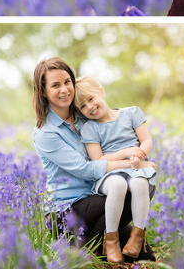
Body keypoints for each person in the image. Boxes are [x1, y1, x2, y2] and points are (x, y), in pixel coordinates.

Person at [32, 57, 156, 262]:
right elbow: (85, 169)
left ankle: (98, 242)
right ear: (43, 91)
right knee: (124, 189)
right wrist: (135, 163)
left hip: (97, 197)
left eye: (67, 82)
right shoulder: (46, 132)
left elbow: (112, 130)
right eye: (55, 85)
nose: (64, 89)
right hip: (68, 210)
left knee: (145, 256)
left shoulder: (83, 114)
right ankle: (83, 246)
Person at [74, 76, 156, 264]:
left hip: (135, 167)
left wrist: (140, 154)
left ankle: (137, 236)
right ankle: (111, 242)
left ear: (101, 92)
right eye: (83, 107)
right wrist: (126, 152)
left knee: (139, 182)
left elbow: (146, 140)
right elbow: (99, 160)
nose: (90, 107)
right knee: (118, 184)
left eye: (91, 99)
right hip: (109, 173)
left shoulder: (131, 113)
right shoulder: (90, 129)